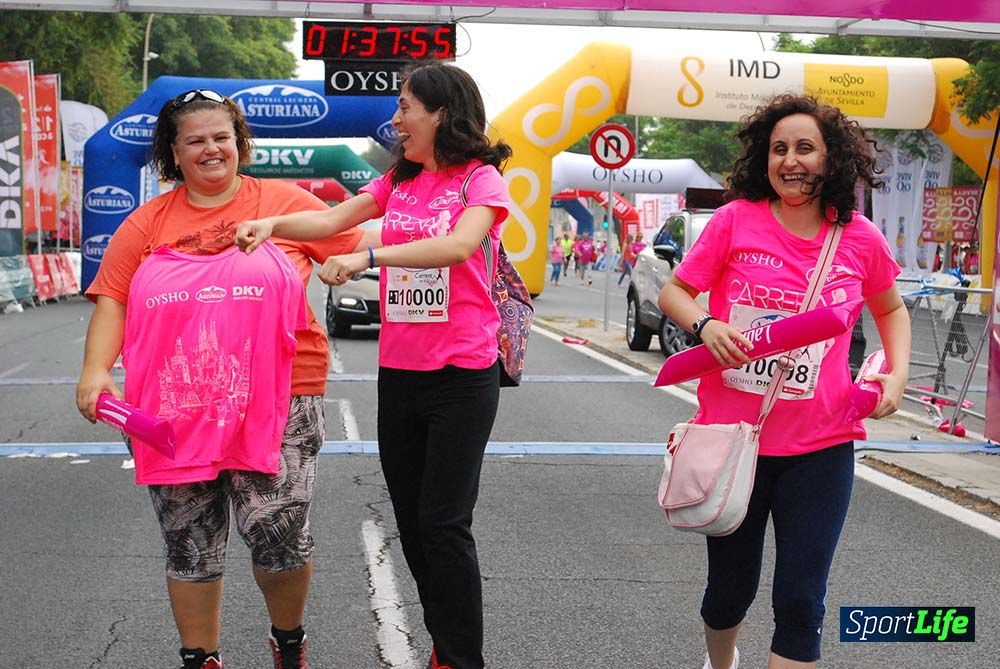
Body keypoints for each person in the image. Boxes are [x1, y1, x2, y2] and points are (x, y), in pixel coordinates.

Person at [75, 88, 371, 669]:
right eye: (196, 141)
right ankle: (201, 657)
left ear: (239, 142)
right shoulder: (148, 222)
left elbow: (357, 241)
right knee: (189, 541)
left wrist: (449, 235)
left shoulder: (284, 201)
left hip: (283, 393)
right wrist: (94, 374)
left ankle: (288, 643)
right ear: (174, 154)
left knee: (278, 537)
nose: (212, 149)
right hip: (174, 403)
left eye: (222, 137)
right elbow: (113, 299)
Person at [235, 62, 512, 669]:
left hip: (463, 374)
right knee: (413, 527)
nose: (396, 119)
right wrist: (271, 223)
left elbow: (460, 245)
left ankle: (461, 658)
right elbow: (330, 220)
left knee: (444, 523)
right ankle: (443, 641)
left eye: (407, 106)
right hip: (402, 375)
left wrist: (368, 258)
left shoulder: (480, 179)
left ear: (441, 113)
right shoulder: (400, 182)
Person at [658, 94, 910, 669]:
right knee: (729, 594)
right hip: (733, 441)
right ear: (762, 159)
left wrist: (894, 375)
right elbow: (673, 291)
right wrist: (706, 324)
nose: (790, 161)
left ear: (832, 159)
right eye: (778, 149)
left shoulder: (860, 237)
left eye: (804, 148)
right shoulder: (734, 220)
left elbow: (891, 310)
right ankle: (721, 662)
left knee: (801, 599)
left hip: (822, 443)